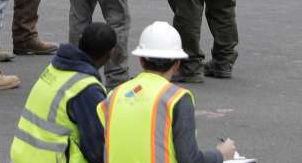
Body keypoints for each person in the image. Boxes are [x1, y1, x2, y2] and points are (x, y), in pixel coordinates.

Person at [98, 22, 237, 163]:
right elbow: (189, 160)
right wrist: (220, 154)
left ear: (141, 60)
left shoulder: (114, 95)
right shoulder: (177, 99)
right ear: (177, 64)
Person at [9, 23, 117, 163]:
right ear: (111, 53)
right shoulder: (86, 88)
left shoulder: (54, 68)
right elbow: (97, 151)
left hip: (21, 157)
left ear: (80, 42)